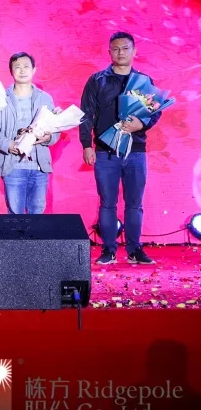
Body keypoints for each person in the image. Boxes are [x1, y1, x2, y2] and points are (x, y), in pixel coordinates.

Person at [80, 32, 159, 266]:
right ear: (109, 52)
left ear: (134, 51)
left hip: (136, 151)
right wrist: (86, 145)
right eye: (115, 48)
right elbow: (86, 114)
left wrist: (141, 124)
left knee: (135, 203)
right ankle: (109, 249)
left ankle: (135, 250)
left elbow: (155, 110)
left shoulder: (144, 81)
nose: (120, 52)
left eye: (125, 48)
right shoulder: (97, 81)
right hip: (105, 152)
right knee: (107, 203)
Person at [0, 52, 58, 215]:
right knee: (15, 215)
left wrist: (48, 137)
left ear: (34, 70)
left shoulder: (45, 98)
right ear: (11, 71)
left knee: (37, 213)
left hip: (39, 167)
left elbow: (55, 129)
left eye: (26, 66)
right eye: (17, 67)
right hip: (13, 166)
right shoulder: (1, 99)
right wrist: (8, 145)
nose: (22, 70)